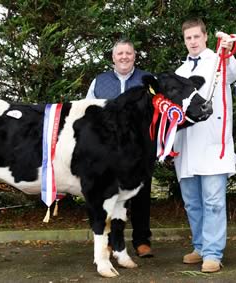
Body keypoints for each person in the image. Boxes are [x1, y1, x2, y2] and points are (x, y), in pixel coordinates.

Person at [173, 18, 236, 273]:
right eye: (188, 38)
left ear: (205, 36)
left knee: (213, 200)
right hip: (187, 146)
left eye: (196, 37)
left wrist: (226, 47)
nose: (192, 42)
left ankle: (213, 253)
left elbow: (234, 73)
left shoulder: (219, 61)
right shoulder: (179, 72)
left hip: (213, 145)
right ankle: (200, 246)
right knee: (192, 202)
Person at [86, 39, 153, 258]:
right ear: (113, 57)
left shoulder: (147, 81)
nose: (124, 57)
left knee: (141, 195)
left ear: (135, 56)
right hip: (109, 154)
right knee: (110, 197)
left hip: (139, 151)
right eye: (120, 53)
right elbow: (88, 113)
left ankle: (142, 241)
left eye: (128, 53)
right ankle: (114, 242)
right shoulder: (99, 81)